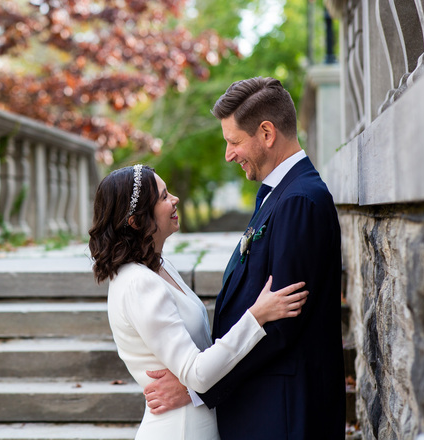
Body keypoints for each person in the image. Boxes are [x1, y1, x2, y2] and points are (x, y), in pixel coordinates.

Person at [144, 77, 346, 439]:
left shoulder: (299, 201)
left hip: (283, 414)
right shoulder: (277, 194)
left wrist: (198, 388)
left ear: (266, 133)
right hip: (263, 406)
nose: (228, 154)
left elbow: (281, 326)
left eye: (234, 141)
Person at [89, 163, 309, 440]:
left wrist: (187, 387)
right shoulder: (137, 283)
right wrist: (257, 316)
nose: (175, 199)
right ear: (136, 221)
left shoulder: (159, 266)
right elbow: (197, 372)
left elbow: (198, 360)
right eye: (164, 196)